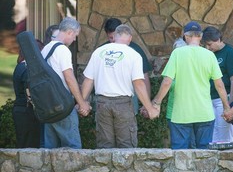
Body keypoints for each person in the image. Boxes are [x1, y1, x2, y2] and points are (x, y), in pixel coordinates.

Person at [152, 21, 230, 149]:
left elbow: (167, 82)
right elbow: (219, 84)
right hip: (204, 113)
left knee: (180, 156)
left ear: (185, 36)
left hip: (181, 114)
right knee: (205, 155)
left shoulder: (177, 54)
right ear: (200, 36)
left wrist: (157, 103)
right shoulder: (210, 55)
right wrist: (226, 107)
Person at [81, 24, 159, 148]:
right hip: (123, 104)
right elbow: (139, 84)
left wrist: (82, 102)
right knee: (126, 146)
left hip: (102, 104)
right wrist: (149, 108)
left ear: (115, 36)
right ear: (130, 38)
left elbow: (88, 80)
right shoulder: (133, 55)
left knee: (104, 146)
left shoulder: (99, 52)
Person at [41, 17, 91, 149]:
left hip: (47, 104)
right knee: (73, 148)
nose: (74, 39)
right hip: (62, 104)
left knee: (49, 149)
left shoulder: (46, 49)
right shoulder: (62, 50)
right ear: (69, 32)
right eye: (75, 35)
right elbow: (69, 78)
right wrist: (82, 103)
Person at [101, 18, 152, 115]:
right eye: (110, 38)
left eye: (114, 37)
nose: (113, 41)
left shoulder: (136, 50)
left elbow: (144, 78)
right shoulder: (102, 50)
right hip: (105, 100)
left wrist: (146, 104)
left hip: (129, 100)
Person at [202, 26, 233, 143]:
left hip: (223, 99)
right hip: (209, 98)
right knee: (212, 134)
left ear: (218, 39)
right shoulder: (208, 53)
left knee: (224, 135)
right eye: (205, 45)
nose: (208, 48)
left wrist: (231, 101)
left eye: (209, 44)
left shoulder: (230, 53)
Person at [12, 39, 44, 148]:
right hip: (27, 113)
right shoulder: (27, 68)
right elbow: (29, 93)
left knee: (24, 144)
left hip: (20, 111)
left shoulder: (20, 66)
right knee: (30, 147)